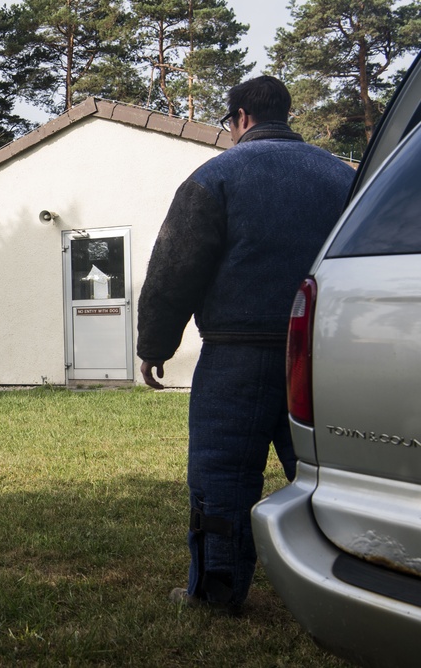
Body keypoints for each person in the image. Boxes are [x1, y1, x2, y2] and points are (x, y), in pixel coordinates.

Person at [136, 76, 355, 614]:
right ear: (284, 113)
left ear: (240, 118)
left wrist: (155, 345)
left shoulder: (216, 176)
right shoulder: (345, 179)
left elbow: (175, 269)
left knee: (222, 476)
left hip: (237, 355)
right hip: (322, 354)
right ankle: (352, 585)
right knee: (328, 478)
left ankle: (217, 591)